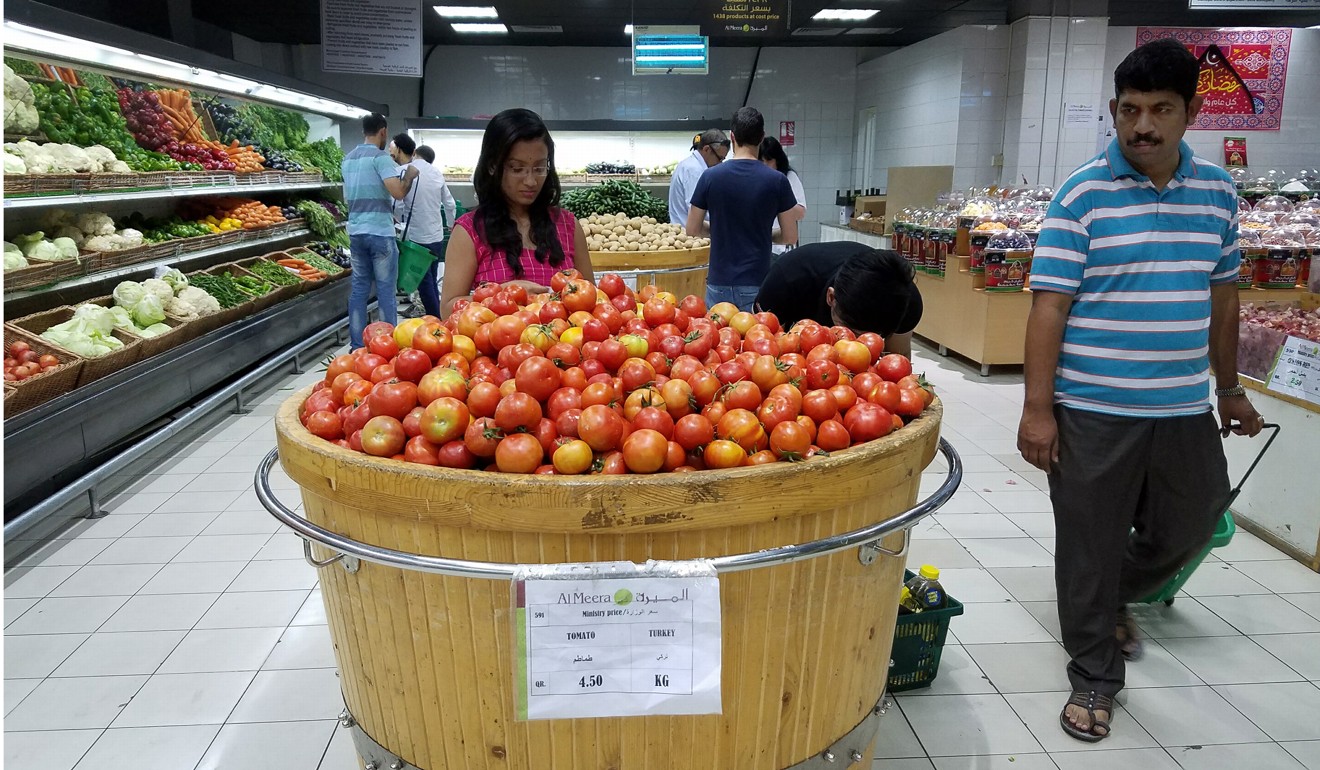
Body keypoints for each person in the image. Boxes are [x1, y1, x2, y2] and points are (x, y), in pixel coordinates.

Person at [1017, 38, 1264, 744]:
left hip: (1182, 406)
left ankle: (1107, 595)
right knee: (1089, 543)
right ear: (1115, 112)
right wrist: (1039, 410)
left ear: (1191, 113)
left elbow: (1223, 297)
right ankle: (1095, 674)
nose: (1143, 126)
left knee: (1195, 522)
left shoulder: (1216, 191)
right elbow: (1049, 306)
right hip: (1093, 408)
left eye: (1161, 110)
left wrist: (1230, 389)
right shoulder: (1083, 193)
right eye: (1130, 110)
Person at [440, 108, 593, 317]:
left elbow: (594, 298)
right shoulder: (469, 231)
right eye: (516, 169)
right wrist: (503, 294)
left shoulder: (568, 225)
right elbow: (449, 308)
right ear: (493, 166)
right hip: (500, 349)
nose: (530, 181)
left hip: (566, 347)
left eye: (539, 168)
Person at [687, 108, 798, 311]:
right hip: (757, 282)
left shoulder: (710, 177)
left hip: (718, 282)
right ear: (762, 137)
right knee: (753, 342)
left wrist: (721, 230)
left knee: (719, 341)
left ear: (732, 136)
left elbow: (692, 229)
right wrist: (765, 234)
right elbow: (790, 236)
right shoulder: (778, 181)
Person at [754, 242, 921, 358]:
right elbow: (762, 350)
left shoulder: (904, 297)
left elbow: (897, 362)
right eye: (849, 331)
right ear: (831, 297)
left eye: (869, 337)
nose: (852, 344)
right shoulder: (787, 279)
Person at [342, 112, 419, 346]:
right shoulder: (380, 158)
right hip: (380, 234)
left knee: (358, 290)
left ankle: (356, 346)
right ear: (383, 131)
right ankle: (387, 345)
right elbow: (397, 192)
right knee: (386, 291)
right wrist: (410, 176)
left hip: (355, 232)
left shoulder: (348, 159)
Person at [389, 133, 456, 319]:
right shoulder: (436, 172)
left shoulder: (403, 171)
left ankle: (438, 321)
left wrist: (398, 220)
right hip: (436, 236)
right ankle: (441, 317)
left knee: (424, 283)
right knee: (432, 280)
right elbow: (449, 204)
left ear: (413, 152)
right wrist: (451, 224)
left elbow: (397, 204)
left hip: (417, 239)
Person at [668, 129, 729, 226]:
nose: (720, 163)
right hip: (687, 235)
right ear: (706, 149)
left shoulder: (690, 165)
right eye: (719, 158)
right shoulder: (694, 171)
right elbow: (696, 210)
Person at [758, 136, 806, 255]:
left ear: (778, 160)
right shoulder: (755, 179)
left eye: (769, 160)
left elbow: (801, 212)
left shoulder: (789, 177)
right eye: (761, 161)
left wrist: (779, 202)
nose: (765, 165)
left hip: (781, 247)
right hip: (759, 244)